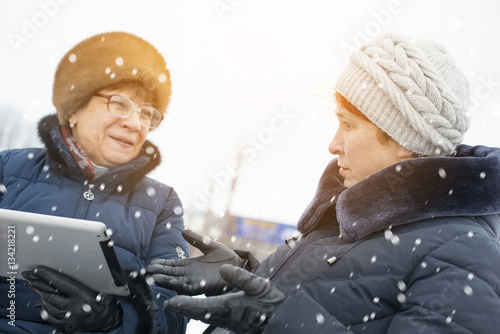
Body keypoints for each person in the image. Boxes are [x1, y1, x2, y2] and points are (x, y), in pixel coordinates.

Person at [147, 32, 500, 333]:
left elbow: (296, 312)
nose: (333, 145)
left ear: (401, 140)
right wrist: (240, 273)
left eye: (348, 125)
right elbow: (334, 294)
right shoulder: (348, 221)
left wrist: (281, 320)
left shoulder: (465, 255)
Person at [0, 32, 190, 334]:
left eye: (147, 113)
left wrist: (115, 320)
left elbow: (174, 307)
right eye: (120, 104)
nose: (135, 123)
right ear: (74, 109)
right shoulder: (7, 168)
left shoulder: (162, 204)